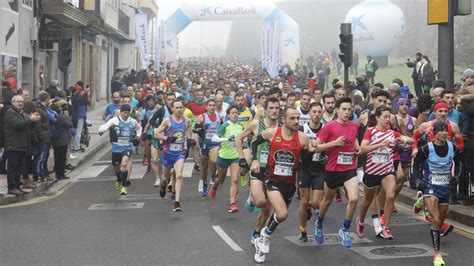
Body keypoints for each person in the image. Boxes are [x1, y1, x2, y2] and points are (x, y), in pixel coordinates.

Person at [251, 108, 311, 263]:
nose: (296, 121)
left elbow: (305, 163)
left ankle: (261, 243)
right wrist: (254, 160)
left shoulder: (303, 138)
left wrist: (314, 152)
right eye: (292, 118)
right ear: (284, 119)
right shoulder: (273, 133)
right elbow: (255, 142)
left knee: (278, 216)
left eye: (298, 118)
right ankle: (265, 235)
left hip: (290, 184)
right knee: (283, 213)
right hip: (272, 180)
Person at [357, 105, 414, 240]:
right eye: (385, 117)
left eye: (389, 117)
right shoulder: (370, 131)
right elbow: (363, 149)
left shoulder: (392, 133)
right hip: (372, 172)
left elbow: (412, 140)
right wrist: (380, 144)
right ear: (377, 118)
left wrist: (403, 140)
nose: (388, 119)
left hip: (387, 171)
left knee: (390, 195)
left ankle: (386, 227)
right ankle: (360, 222)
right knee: (367, 201)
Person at [313, 97, 360, 248]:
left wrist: (357, 147)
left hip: (349, 169)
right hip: (333, 170)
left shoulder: (354, 125)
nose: (347, 112)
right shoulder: (329, 127)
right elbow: (316, 148)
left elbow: (354, 140)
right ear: (337, 110)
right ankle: (319, 223)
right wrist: (334, 143)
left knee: (353, 199)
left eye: (349, 109)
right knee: (327, 201)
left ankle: (345, 229)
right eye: (344, 109)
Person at [235, 97, 280, 246]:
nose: (274, 111)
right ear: (265, 110)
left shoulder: (282, 126)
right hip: (257, 167)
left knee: (267, 207)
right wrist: (243, 158)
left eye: (277, 108)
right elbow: (238, 138)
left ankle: (256, 233)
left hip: (273, 170)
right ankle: (252, 197)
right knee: (260, 202)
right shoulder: (256, 124)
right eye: (271, 108)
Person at [415, 120, 459, 266]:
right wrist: (417, 180)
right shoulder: (426, 149)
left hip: (444, 189)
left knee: (440, 221)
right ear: (434, 133)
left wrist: (455, 177)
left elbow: (457, 163)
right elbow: (416, 163)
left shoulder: (453, 147)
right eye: (441, 130)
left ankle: (420, 202)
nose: (445, 133)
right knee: (436, 219)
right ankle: (437, 254)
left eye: (446, 130)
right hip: (430, 187)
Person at [154, 100, 192, 212]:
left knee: (179, 175)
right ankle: (163, 185)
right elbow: (156, 133)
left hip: (180, 153)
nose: (179, 110)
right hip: (168, 153)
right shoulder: (168, 121)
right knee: (165, 177)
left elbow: (189, 131)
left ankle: (177, 202)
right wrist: (167, 139)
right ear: (172, 109)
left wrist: (190, 140)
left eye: (181, 107)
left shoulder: (187, 121)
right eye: (177, 107)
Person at [298, 102, 327, 242]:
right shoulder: (301, 129)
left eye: (319, 112)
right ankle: (303, 229)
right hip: (304, 169)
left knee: (316, 203)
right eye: (314, 111)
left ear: (322, 113)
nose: (316, 114)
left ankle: (309, 208)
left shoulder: (326, 129)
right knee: (303, 201)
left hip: (319, 169)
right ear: (309, 113)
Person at [98, 104, 142, 196]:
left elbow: (139, 128)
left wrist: (137, 136)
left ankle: (123, 186)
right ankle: (118, 178)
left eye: (127, 113)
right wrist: (102, 130)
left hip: (128, 146)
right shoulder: (115, 120)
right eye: (124, 113)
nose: (126, 115)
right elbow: (105, 126)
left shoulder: (132, 121)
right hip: (116, 148)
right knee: (117, 168)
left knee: (124, 164)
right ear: (120, 112)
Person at [209, 106, 244, 213]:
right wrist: (226, 139)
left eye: (236, 113)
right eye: (232, 113)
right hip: (224, 157)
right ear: (228, 115)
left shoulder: (241, 127)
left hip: (235, 157)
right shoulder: (225, 126)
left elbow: (244, 139)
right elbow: (214, 138)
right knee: (221, 180)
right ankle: (214, 186)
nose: (235, 114)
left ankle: (232, 204)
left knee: (234, 179)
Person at [4, 95, 40, 195]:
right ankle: (11, 187)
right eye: (18, 101)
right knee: (13, 167)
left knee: (19, 168)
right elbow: (17, 125)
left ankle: (17, 186)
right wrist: (30, 120)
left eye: (22, 102)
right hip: (13, 145)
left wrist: (33, 121)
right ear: (13, 102)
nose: (20, 103)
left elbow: (27, 127)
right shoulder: (10, 113)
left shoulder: (20, 113)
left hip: (22, 145)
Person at [147, 93, 175, 188]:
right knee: (154, 160)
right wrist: (159, 127)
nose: (171, 101)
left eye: (173, 99)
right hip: (158, 136)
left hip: (170, 139)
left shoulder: (178, 110)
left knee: (169, 161)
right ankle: (158, 179)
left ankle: (170, 181)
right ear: (166, 100)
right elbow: (151, 120)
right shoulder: (162, 110)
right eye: (169, 99)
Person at [194, 99, 221, 197]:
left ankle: (213, 175)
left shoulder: (219, 117)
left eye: (214, 105)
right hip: (204, 144)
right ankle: (205, 185)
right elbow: (195, 130)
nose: (212, 107)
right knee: (204, 168)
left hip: (215, 144)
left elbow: (222, 128)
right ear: (206, 107)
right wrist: (196, 142)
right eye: (210, 105)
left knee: (214, 161)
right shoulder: (202, 117)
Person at [50, 100, 74, 180]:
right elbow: (70, 124)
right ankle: (60, 173)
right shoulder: (62, 117)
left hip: (56, 139)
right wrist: (67, 117)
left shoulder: (55, 116)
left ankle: (58, 171)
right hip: (62, 140)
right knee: (61, 157)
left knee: (57, 157)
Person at [71, 81, 89, 155]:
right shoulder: (78, 93)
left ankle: (76, 147)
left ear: (79, 86)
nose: (75, 86)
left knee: (78, 131)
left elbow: (77, 102)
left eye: (76, 85)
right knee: (77, 131)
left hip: (79, 114)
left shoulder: (82, 94)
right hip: (78, 114)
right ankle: (76, 147)